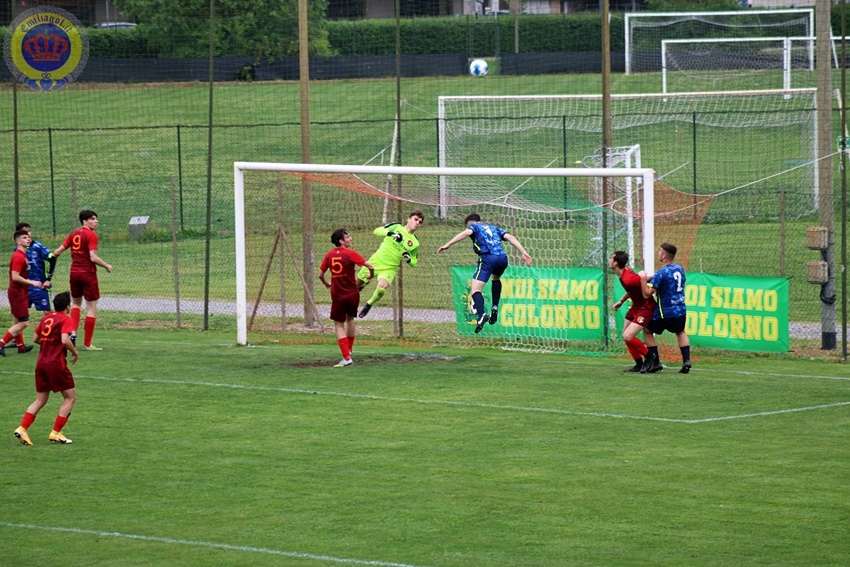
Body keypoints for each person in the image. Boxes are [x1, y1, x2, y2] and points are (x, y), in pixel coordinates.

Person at [437, 213, 533, 333]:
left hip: (488, 258)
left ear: (472, 223)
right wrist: (523, 252)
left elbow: (466, 233)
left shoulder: (474, 227)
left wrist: (448, 244)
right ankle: (495, 307)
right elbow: (510, 237)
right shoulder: (494, 228)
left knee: (475, 290)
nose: (468, 229)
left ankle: (482, 314)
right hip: (502, 258)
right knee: (495, 278)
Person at [13, 291, 80, 445]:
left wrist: (49, 342)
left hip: (41, 363)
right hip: (56, 364)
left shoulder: (46, 318)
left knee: (40, 399)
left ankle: (22, 428)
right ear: (68, 307)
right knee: (70, 397)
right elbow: (65, 340)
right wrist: (75, 352)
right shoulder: (66, 319)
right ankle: (56, 432)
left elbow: (36, 338)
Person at [52, 210, 113, 351]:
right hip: (87, 274)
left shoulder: (74, 234)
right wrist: (107, 266)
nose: (96, 221)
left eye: (96, 219)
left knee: (76, 304)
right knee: (91, 308)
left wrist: (49, 258)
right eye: (92, 219)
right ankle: (87, 344)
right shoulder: (91, 235)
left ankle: (72, 333)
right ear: (84, 221)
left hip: (74, 273)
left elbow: (57, 252)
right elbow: (93, 257)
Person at [319, 228, 375, 367]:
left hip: (338, 295)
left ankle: (346, 357)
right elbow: (370, 266)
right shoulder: (351, 254)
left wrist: (327, 284)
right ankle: (349, 351)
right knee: (350, 319)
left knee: (338, 325)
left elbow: (320, 275)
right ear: (341, 241)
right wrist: (371, 276)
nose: (350, 238)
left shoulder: (329, 255)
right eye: (347, 237)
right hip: (352, 293)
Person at [356, 211, 424, 318]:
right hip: (376, 261)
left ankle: (369, 304)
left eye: (420, 222)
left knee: (381, 289)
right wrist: (392, 234)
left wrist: (408, 259)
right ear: (408, 219)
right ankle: (359, 289)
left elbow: (414, 262)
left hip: (390, 268)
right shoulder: (396, 227)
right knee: (354, 287)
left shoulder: (415, 243)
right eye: (415, 219)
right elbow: (377, 231)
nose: (417, 223)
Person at [641, 242, 692, 374]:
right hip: (681, 309)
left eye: (659, 252)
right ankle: (686, 360)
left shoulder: (661, 273)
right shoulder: (679, 269)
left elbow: (647, 293)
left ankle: (656, 362)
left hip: (666, 311)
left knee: (647, 331)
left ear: (664, 256)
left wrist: (642, 280)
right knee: (680, 332)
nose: (658, 253)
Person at [610, 250, 657, 373]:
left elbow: (645, 279)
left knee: (628, 335)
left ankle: (650, 357)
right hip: (636, 306)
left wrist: (656, 275)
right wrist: (621, 301)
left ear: (616, 263)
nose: (609, 260)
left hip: (645, 307)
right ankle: (639, 364)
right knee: (625, 336)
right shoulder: (624, 274)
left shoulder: (629, 278)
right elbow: (632, 290)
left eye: (611, 258)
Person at [0, 229, 44, 356]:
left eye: (28, 237)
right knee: (24, 322)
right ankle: (1, 343)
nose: (28, 239)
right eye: (24, 237)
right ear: (18, 241)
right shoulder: (18, 256)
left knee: (18, 320)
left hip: (20, 291)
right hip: (17, 292)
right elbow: (15, 277)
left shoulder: (22, 255)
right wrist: (31, 282)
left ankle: (21, 346)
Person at [16, 222, 57, 313]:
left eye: (29, 231)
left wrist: (48, 279)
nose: (28, 234)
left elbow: (52, 259)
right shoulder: (17, 250)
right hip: (24, 287)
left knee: (48, 313)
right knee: (20, 314)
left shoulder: (37, 247)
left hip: (40, 286)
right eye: (25, 232)